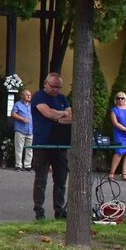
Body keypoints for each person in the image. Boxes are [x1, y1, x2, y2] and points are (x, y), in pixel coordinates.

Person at [31, 72, 72, 220]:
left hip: (60, 144)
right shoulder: (39, 97)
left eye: (58, 87)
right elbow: (48, 113)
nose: (56, 90)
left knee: (61, 179)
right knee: (41, 179)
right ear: (45, 84)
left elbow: (71, 117)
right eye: (53, 86)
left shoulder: (62, 98)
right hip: (42, 143)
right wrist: (61, 114)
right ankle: (39, 210)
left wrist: (58, 116)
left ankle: (59, 210)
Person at [109, 92, 126, 181]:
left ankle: (124, 174)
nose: (120, 100)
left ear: (125, 99)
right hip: (119, 133)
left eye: (122, 98)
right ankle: (111, 173)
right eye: (118, 98)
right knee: (119, 152)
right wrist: (125, 129)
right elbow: (115, 122)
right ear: (115, 100)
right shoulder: (114, 110)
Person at [11, 89, 33, 171]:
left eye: (30, 95)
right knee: (19, 148)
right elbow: (13, 114)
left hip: (30, 130)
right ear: (22, 96)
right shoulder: (18, 104)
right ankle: (18, 165)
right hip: (20, 130)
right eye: (27, 95)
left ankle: (27, 165)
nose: (29, 96)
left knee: (29, 149)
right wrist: (22, 119)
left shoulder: (31, 106)